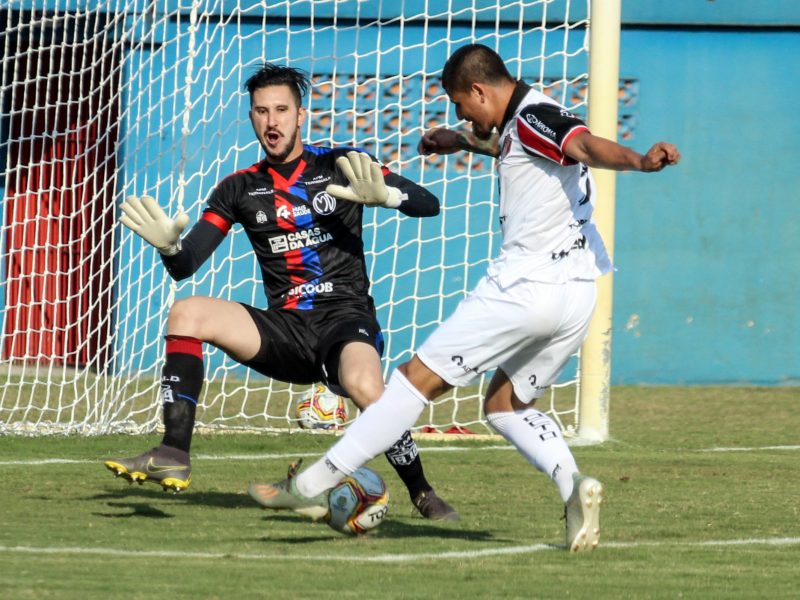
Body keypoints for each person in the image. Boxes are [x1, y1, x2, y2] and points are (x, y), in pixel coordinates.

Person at [248, 44, 681, 551]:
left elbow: (584, 147)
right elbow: (517, 147)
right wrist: (459, 140)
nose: (460, 113)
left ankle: (311, 483)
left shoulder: (538, 117)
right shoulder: (529, 119)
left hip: (526, 288)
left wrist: (640, 161)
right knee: (506, 406)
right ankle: (573, 487)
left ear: (480, 89)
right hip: (578, 294)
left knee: (412, 384)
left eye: (460, 104)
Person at [104, 62, 459, 521]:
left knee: (365, 386)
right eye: (261, 111)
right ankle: (174, 452)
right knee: (187, 312)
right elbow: (186, 266)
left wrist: (388, 196)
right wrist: (170, 247)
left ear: (300, 114)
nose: (272, 122)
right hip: (286, 329)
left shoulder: (341, 164)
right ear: (252, 117)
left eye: (281, 110)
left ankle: (422, 492)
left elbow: (428, 204)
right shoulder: (238, 188)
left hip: (344, 319)